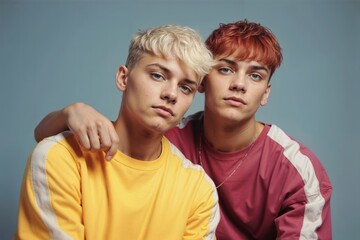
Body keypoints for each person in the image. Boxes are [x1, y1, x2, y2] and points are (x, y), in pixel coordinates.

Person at [33, 20, 333, 239]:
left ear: (266, 93)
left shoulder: (296, 169)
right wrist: (70, 112)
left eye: (255, 76)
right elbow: (54, 146)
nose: (239, 84)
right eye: (226, 69)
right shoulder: (164, 132)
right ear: (203, 82)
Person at [15, 24, 221, 240]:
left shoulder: (199, 190)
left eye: (185, 88)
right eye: (158, 75)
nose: (171, 94)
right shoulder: (60, 158)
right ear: (123, 78)